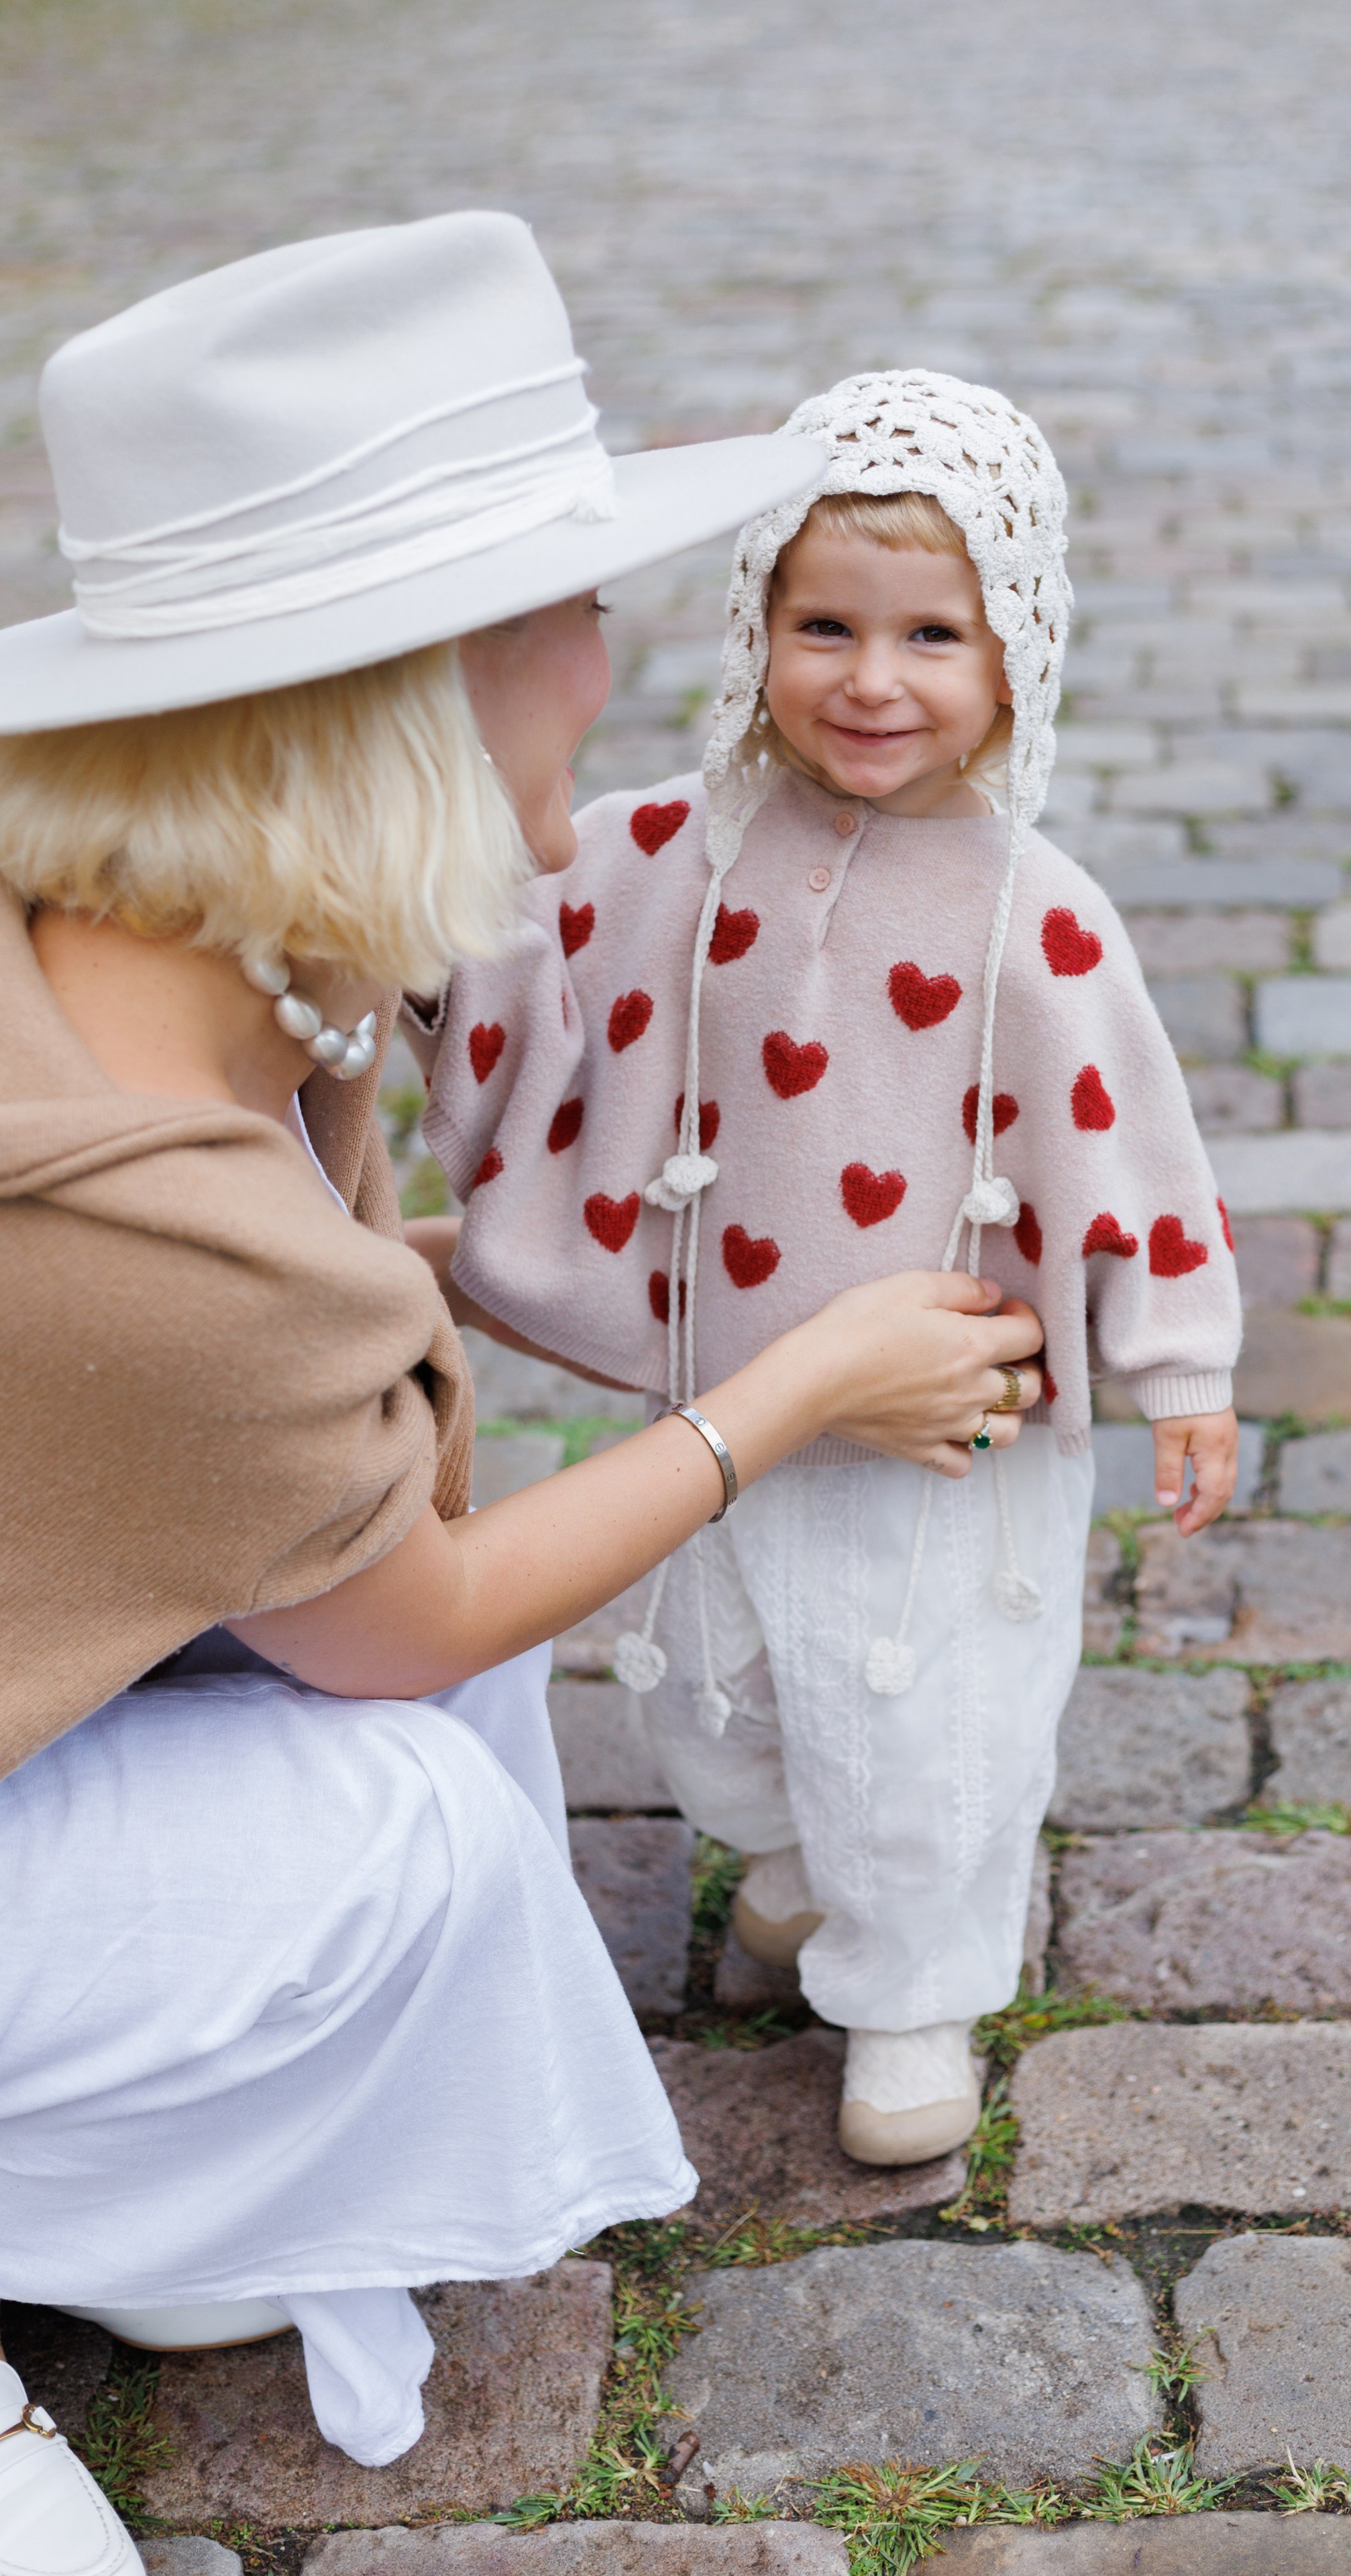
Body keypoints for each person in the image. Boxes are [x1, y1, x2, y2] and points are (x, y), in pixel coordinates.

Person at [0, 225, 1048, 2576]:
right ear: (404, 717)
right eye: (560, 671)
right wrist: (796, 1384)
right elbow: (411, 1606)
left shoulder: (149, 961)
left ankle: (150, 2161)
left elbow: (225, 1421)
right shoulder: (172, 1233)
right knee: (422, 1815)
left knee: (433, 1736)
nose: (578, 805)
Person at [405, 370, 1243, 2172]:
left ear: (1017, 649)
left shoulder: (1041, 911)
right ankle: (786, 1855)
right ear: (755, 627)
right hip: (738, 1378)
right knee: (725, 1672)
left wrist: (1182, 1365)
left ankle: (916, 1986)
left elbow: (1135, 1147)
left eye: (932, 633)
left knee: (923, 1718)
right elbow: (509, 949)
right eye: (826, 626)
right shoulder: (670, 847)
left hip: (946, 1411)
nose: (875, 680)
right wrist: (413, 943)